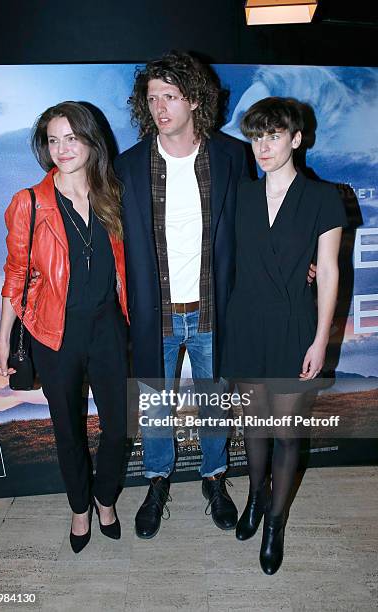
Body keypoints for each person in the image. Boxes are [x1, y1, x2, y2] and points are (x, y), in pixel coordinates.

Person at [114, 51, 250, 538]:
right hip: (158, 312)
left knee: (215, 401)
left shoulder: (231, 157)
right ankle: (157, 481)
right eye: (152, 98)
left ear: (194, 99)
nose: (160, 107)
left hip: (215, 308)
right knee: (154, 405)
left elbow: (251, 228)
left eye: (170, 96)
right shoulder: (127, 167)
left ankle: (214, 477)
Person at [0, 101, 129, 553]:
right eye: (53, 140)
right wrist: (1, 342)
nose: (62, 148)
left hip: (108, 326)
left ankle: (105, 498)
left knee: (118, 426)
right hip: (54, 333)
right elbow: (15, 274)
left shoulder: (113, 195)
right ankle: (80, 509)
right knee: (67, 429)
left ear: (91, 140)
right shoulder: (29, 203)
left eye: (71, 137)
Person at [222, 97, 347, 574]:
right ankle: (256, 499)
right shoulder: (242, 195)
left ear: (297, 139)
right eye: (256, 136)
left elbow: (330, 271)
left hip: (295, 323)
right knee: (254, 425)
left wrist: (320, 340)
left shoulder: (322, 197)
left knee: (288, 433)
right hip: (246, 323)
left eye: (274, 135)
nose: (263, 146)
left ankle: (275, 522)